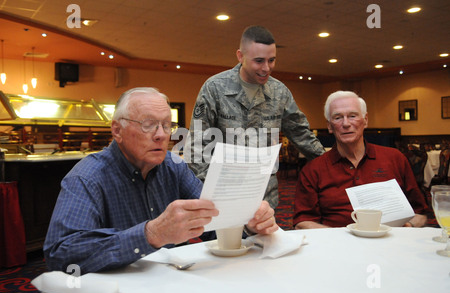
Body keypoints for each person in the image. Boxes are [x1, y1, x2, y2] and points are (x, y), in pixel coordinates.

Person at [44, 87, 278, 275]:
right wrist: (151, 234)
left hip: (172, 282)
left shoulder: (172, 166)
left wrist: (247, 223)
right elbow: (61, 255)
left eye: (167, 125)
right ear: (117, 130)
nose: (161, 135)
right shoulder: (87, 177)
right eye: (148, 124)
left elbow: (211, 222)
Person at [185, 25, 324, 209]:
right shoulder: (215, 88)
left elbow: (301, 134)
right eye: (259, 61)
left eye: (272, 60)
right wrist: (210, 189)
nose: (266, 68)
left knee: (262, 239)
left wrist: (332, 165)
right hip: (223, 197)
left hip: (264, 199)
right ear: (240, 56)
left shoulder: (279, 92)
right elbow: (196, 145)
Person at [293, 90, 428, 229]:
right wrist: (344, 239)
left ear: (366, 120)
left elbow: (420, 213)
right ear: (329, 126)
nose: (346, 123)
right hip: (338, 247)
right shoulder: (313, 170)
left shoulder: (395, 158)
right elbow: (302, 222)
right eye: (338, 117)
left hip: (391, 242)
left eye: (352, 116)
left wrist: (408, 226)